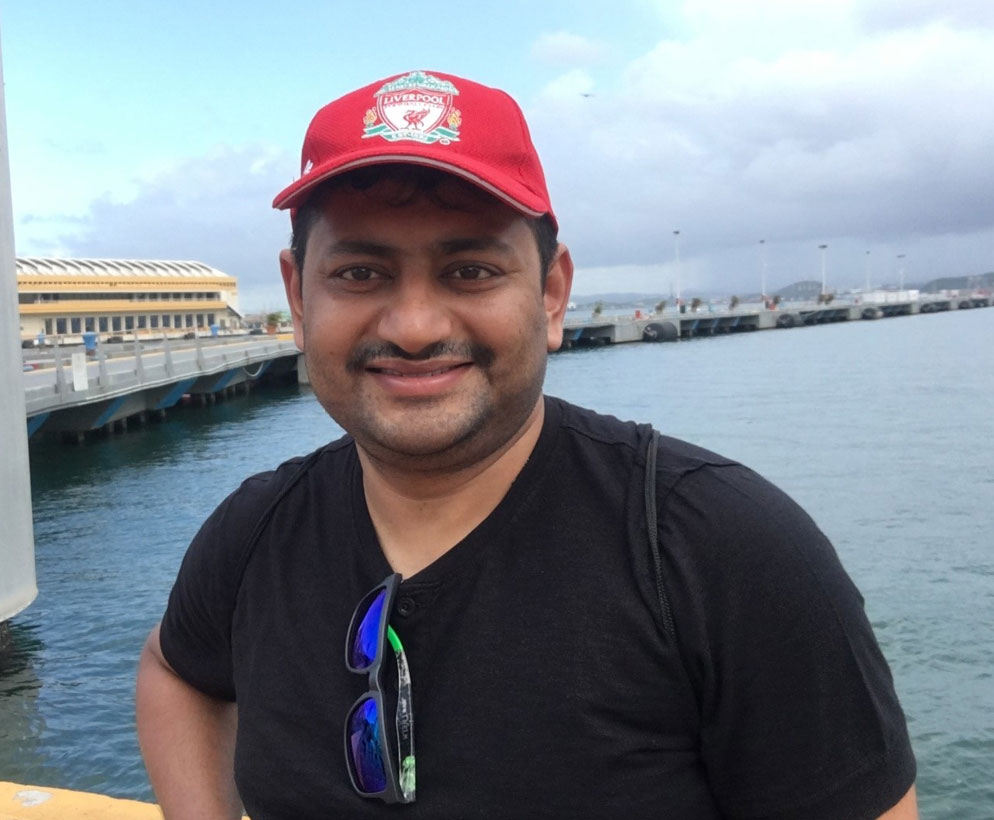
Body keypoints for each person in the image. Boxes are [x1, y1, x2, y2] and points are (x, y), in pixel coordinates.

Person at [136, 70, 918, 820]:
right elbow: (176, 670)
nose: (415, 327)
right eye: (361, 272)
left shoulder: (720, 549)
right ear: (299, 299)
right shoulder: (256, 533)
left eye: (470, 270)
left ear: (550, 294)